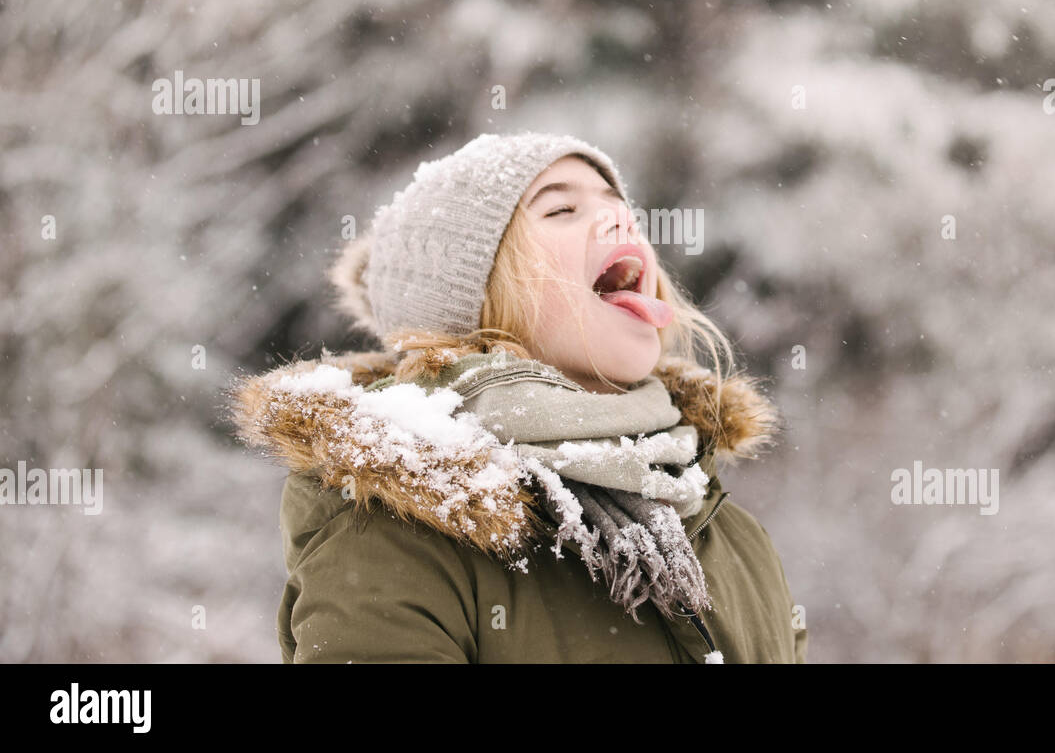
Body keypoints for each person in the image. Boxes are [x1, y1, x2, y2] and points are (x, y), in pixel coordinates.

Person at [229, 131, 807, 663]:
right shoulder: (392, 537)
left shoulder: (731, 534)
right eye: (561, 209)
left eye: (617, 203)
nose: (619, 219)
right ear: (472, 300)